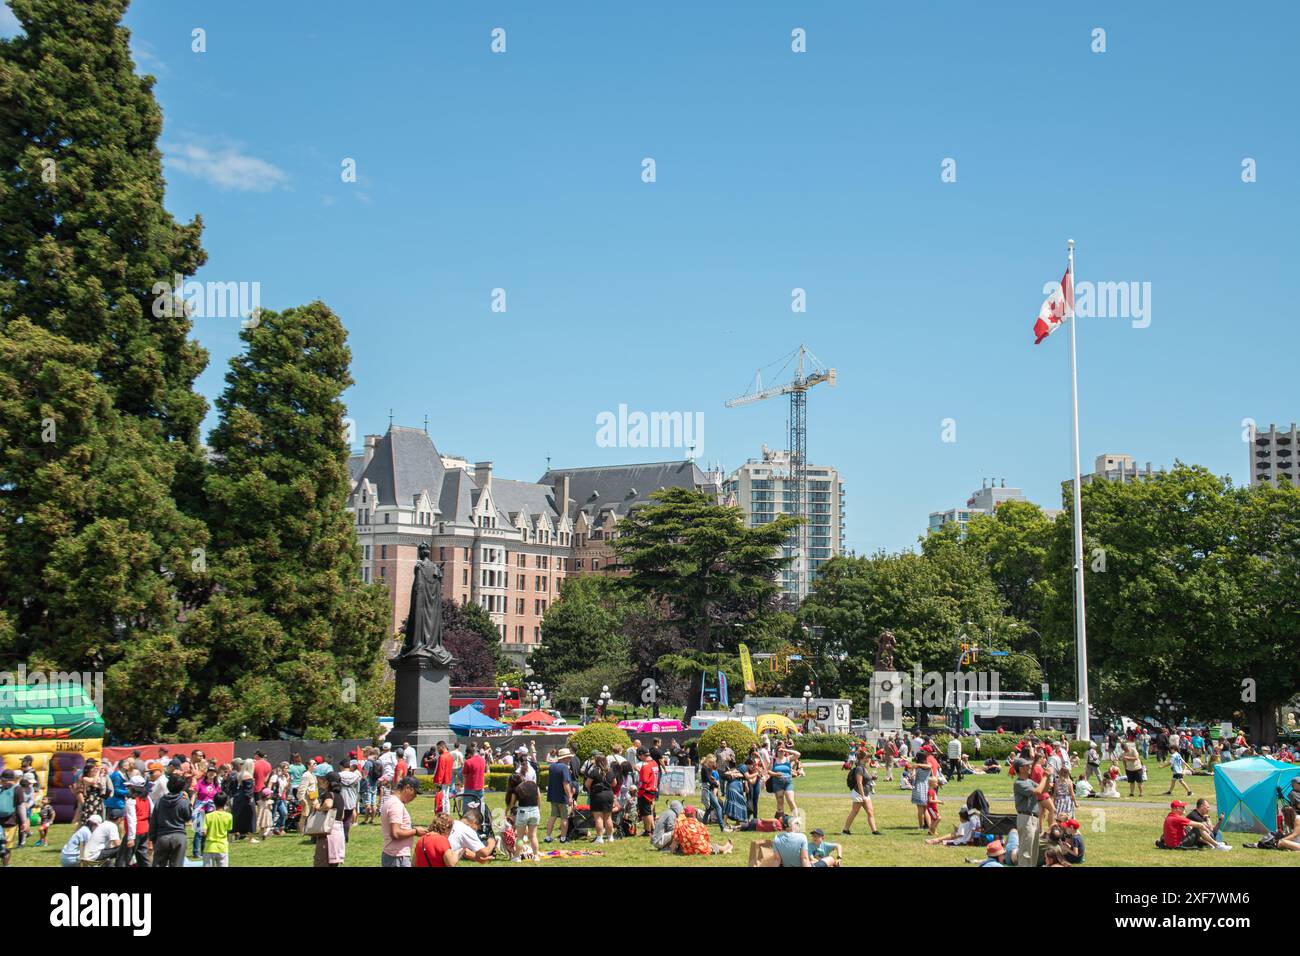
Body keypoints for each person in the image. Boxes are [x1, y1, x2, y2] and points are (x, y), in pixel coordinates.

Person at [1013, 757, 1050, 868]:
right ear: (1020, 768)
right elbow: (1038, 792)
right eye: (1027, 765)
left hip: (1034, 818)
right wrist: (1045, 776)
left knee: (1034, 852)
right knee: (1026, 853)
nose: (1030, 767)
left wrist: (1047, 778)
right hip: (1025, 818)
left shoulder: (1029, 781)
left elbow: (1044, 790)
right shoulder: (1019, 783)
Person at [381, 776, 427, 867]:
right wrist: (415, 831)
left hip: (394, 856)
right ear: (408, 788)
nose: (415, 797)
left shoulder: (392, 801)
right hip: (397, 857)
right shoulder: (396, 805)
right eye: (415, 793)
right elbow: (396, 833)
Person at [149, 772, 192, 867]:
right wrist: (188, 801)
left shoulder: (160, 801)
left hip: (162, 836)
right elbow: (188, 817)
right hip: (179, 836)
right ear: (181, 787)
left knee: (158, 864)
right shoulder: (183, 801)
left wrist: (152, 837)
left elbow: (154, 820)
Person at [1159, 799, 1230, 850]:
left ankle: (1215, 844)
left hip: (1173, 844)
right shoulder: (1182, 817)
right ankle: (1217, 845)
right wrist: (1206, 828)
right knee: (1198, 828)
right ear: (1176, 808)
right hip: (1178, 845)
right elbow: (1201, 826)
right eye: (1182, 807)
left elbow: (1212, 830)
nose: (1184, 808)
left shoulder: (1170, 816)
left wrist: (1215, 820)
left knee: (1196, 829)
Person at [842, 748, 880, 836]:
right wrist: (862, 796)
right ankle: (845, 830)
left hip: (865, 793)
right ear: (864, 758)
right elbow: (859, 783)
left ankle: (874, 831)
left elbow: (866, 778)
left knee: (870, 812)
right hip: (859, 793)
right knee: (854, 812)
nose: (870, 759)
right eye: (868, 757)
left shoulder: (864, 767)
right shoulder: (859, 768)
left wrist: (872, 777)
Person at [506, 764, 541, 858]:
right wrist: (539, 810)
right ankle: (536, 856)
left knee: (520, 837)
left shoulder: (517, 789)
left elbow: (512, 804)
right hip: (535, 810)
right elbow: (539, 798)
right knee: (533, 836)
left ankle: (517, 856)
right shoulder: (534, 784)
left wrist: (506, 811)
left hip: (523, 812)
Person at [584, 753, 616, 843]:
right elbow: (614, 783)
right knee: (608, 817)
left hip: (597, 795)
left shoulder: (594, 771)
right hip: (609, 794)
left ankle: (599, 838)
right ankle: (610, 837)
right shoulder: (610, 771)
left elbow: (587, 784)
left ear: (597, 761)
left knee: (598, 818)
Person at [545, 747, 574, 843]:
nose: (569, 759)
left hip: (553, 796)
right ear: (564, 758)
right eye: (568, 758)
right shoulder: (564, 767)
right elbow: (565, 784)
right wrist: (570, 797)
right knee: (564, 818)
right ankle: (563, 838)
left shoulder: (552, 766)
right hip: (562, 797)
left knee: (552, 816)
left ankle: (548, 837)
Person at [203, 792, 234, 867]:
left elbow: (204, 833)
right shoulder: (229, 816)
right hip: (222, 847)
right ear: (226, 802)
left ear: (214, 802)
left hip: (209, 847)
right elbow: (228, 830)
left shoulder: (208, 816)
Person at [637, 747, 660, 836]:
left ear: (642, 755)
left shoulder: (645, 765)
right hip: (653, 789)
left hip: (646, 791)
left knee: (645, 813)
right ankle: (652, 829)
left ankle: (648, 831)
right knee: (649, 811)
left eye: (639, 756)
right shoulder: (654, 763)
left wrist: (639, 792)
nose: (639, 758)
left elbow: (644, 781)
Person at [462, 743, 487, 811]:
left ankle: (466, 821)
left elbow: (464, 775)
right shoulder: (483, 760)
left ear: (469, 754)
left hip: (470, 787)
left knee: (467, 808)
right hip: (480, 786)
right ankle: (481, 820)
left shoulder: (468, 762)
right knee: (480, 805)